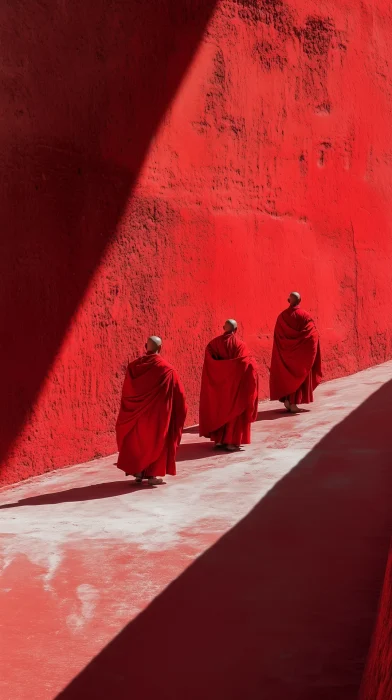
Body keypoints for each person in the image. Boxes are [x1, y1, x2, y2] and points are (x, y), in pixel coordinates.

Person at [116, 336, 187, 485]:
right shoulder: (167, 370)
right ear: (160, 348)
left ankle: (138, 472)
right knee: (156, 442)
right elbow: (180, 396)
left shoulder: (133, 367)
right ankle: (152, 475)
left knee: (137, 443)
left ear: (145, 346)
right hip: (157, 417)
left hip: (135, 416)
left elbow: (127, 391)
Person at [199, 320, 259, 451]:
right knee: (234, 411)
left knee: (220, 409)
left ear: (223, 328)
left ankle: (219, 441)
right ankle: (231, 442)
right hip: (235, 386)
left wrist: (220, 373)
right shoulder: (240, 345)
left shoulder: (212, 344)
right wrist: (252, 362)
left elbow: (210, 362)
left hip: (219, 386)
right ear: (236, 329)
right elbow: (243, 364)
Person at [270, 292, 322, 413]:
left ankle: (288, 400)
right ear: (300, 300)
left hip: (286, 355)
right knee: (300, 374)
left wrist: (284, 351)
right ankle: (293, 403)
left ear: (289, 300)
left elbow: (278, 337)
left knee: (288, 376)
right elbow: (313, 335)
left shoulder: (281, 317)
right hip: (300, 356)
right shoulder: (305, 316)